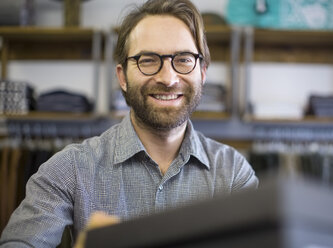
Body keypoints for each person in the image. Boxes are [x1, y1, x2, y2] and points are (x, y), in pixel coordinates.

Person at [0, 0, 258, 247]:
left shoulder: (234, 173)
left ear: (201, 73)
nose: (168, 78)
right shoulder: (70, 169)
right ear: (122, 77)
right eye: (147, 60)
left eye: (183, 60)